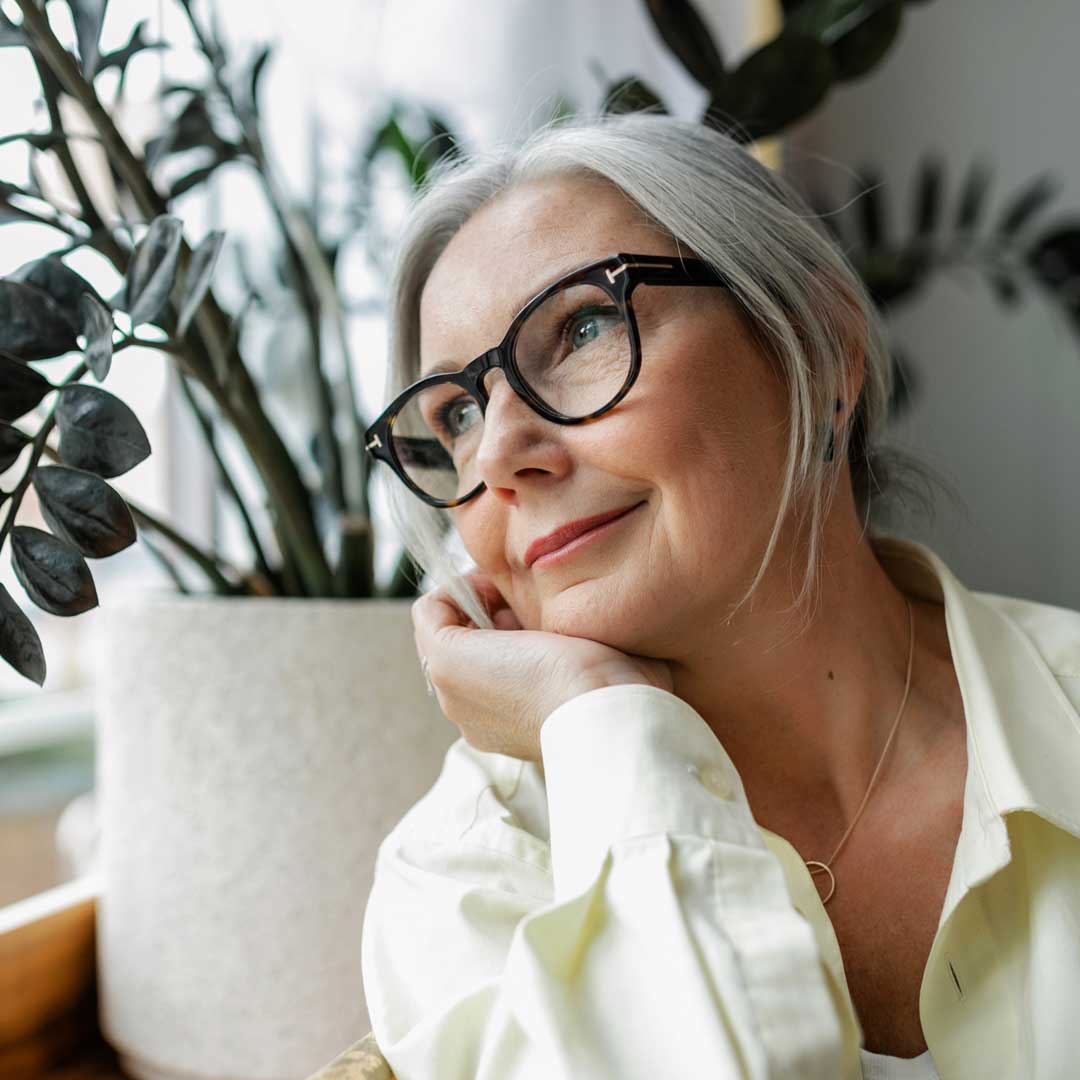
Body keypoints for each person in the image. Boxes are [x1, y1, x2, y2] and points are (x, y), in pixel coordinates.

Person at [357, 113, 1080, 1080]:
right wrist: (601, 720)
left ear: (819, 351)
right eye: (455, 413)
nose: (497, 455)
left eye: (581, 327)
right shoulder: (461, 881)